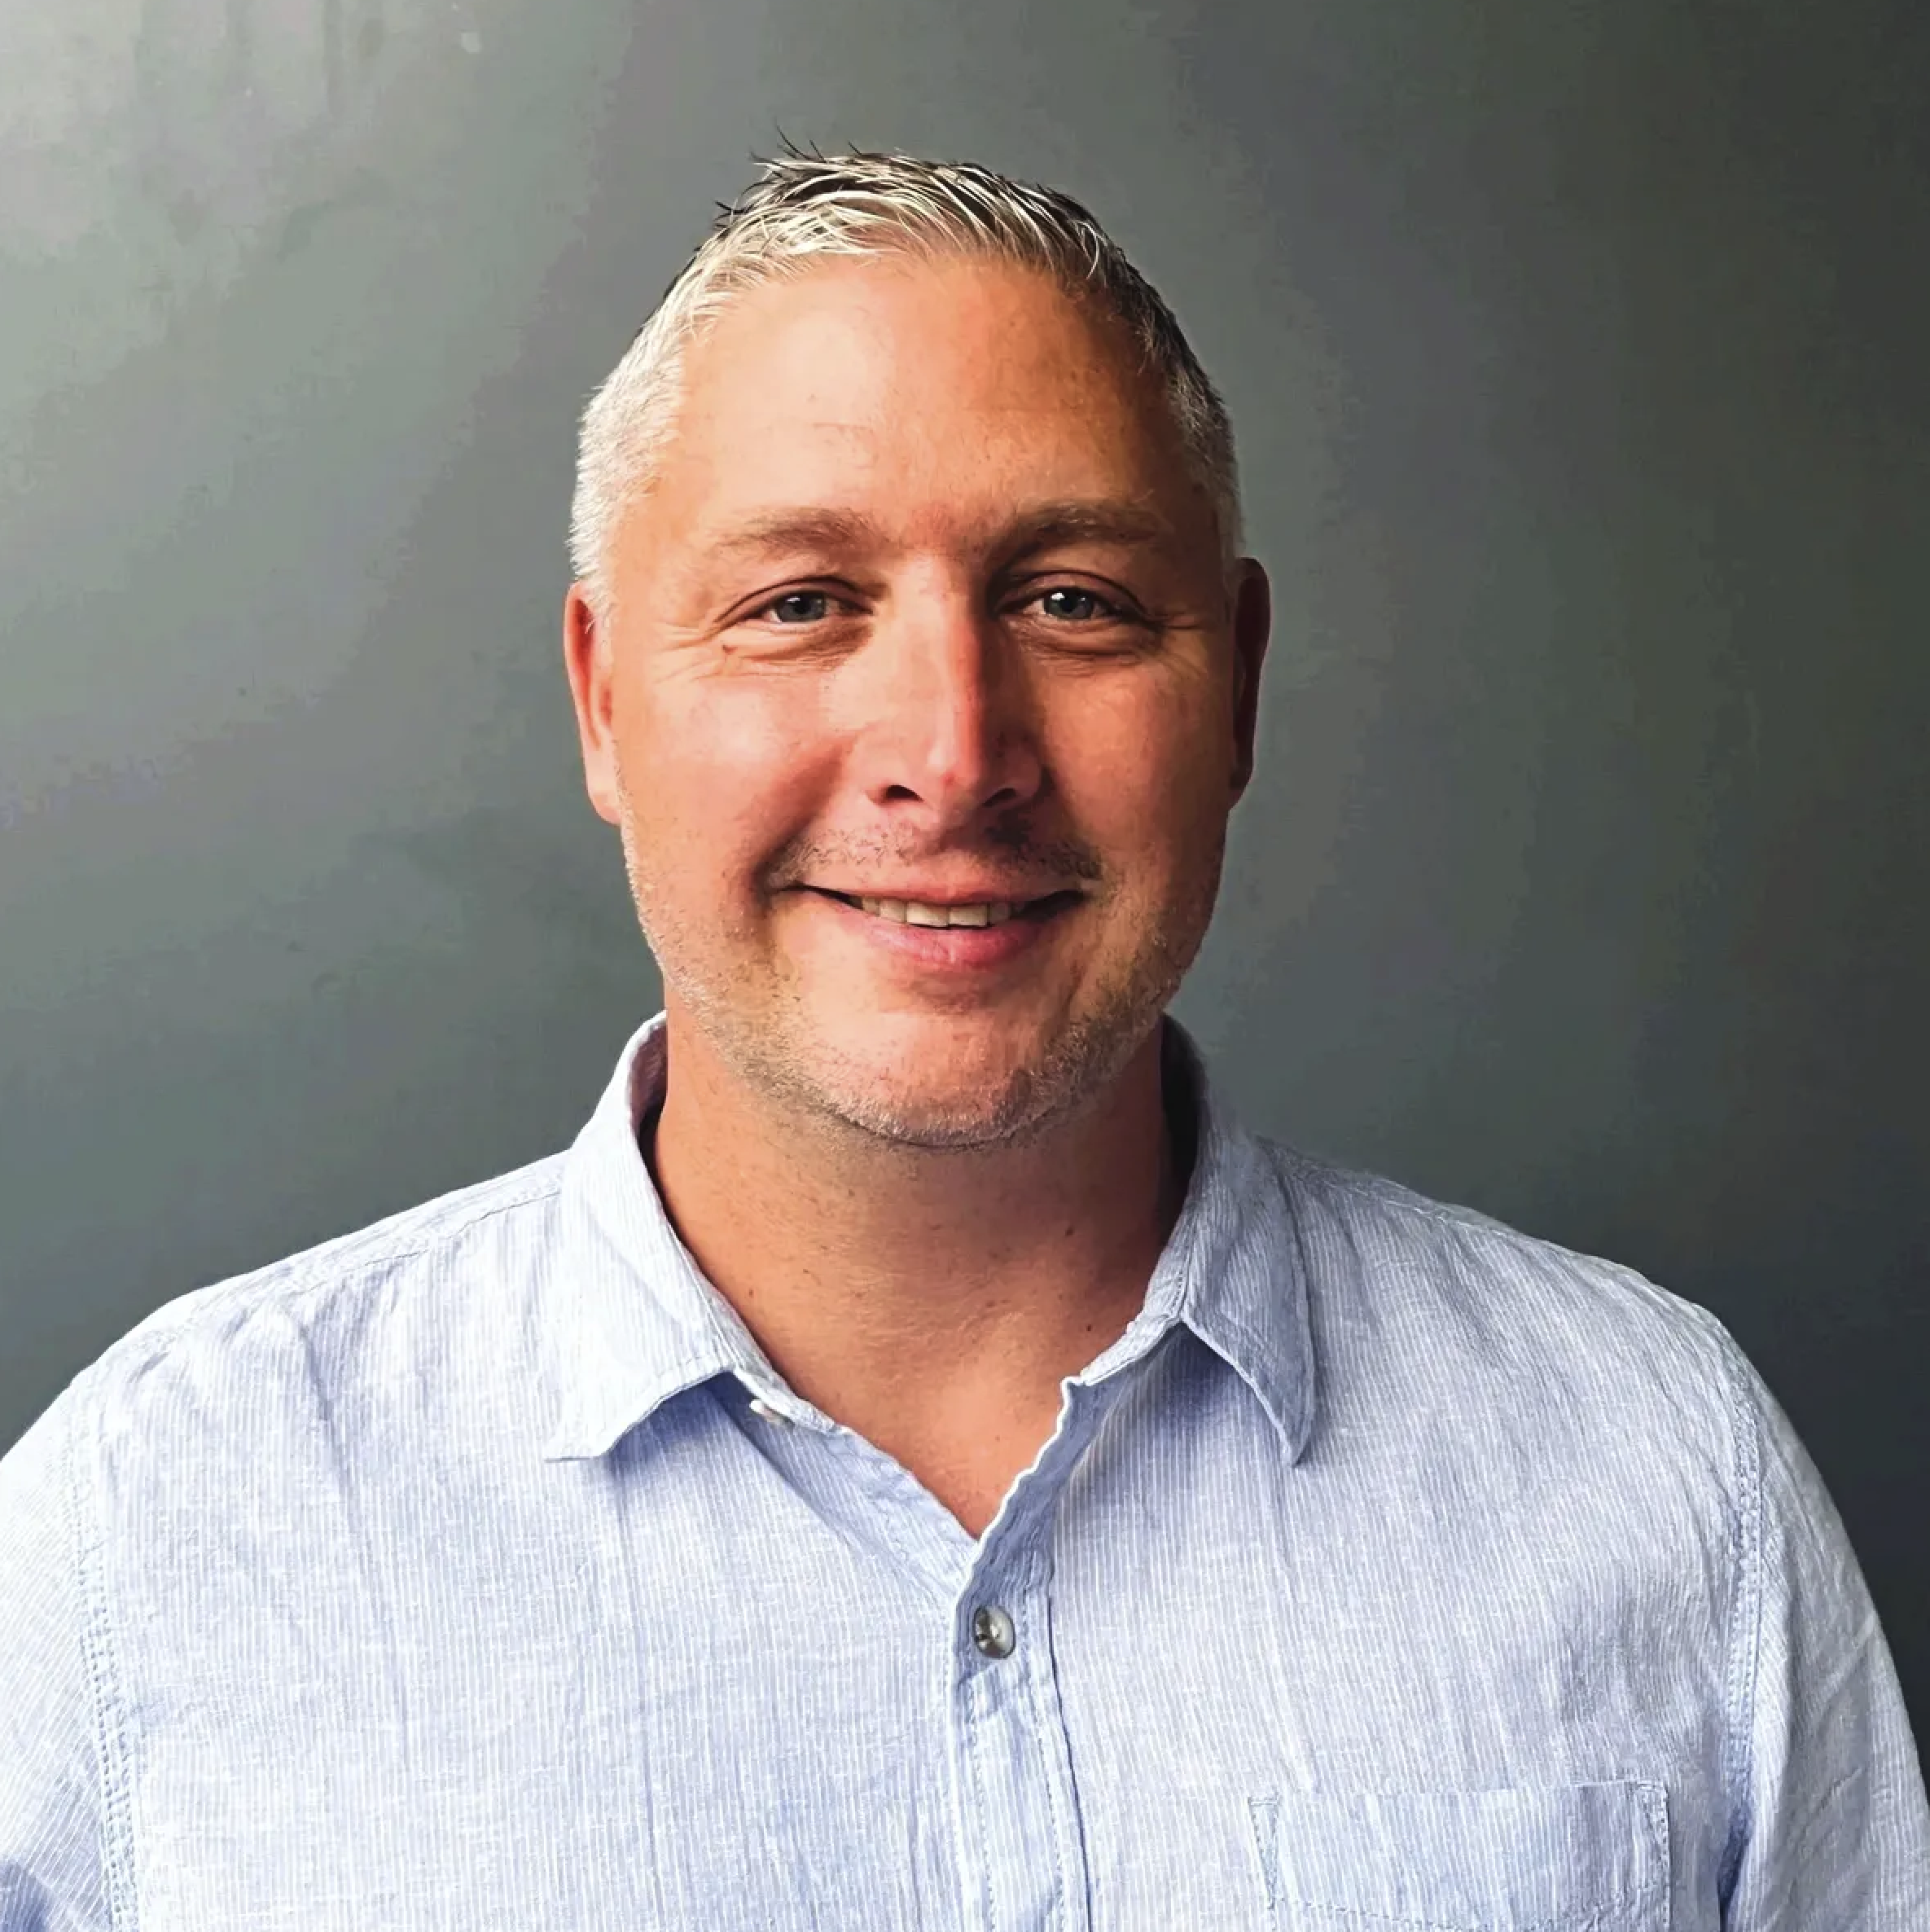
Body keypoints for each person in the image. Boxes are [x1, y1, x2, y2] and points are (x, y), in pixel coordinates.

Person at [1, 149, 1923, 1930]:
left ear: (1238, 691)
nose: (952, 752)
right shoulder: (156, 1528)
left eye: (1073, 601)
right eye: (802, 602)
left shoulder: (1663, 1477)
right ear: (602, 703)